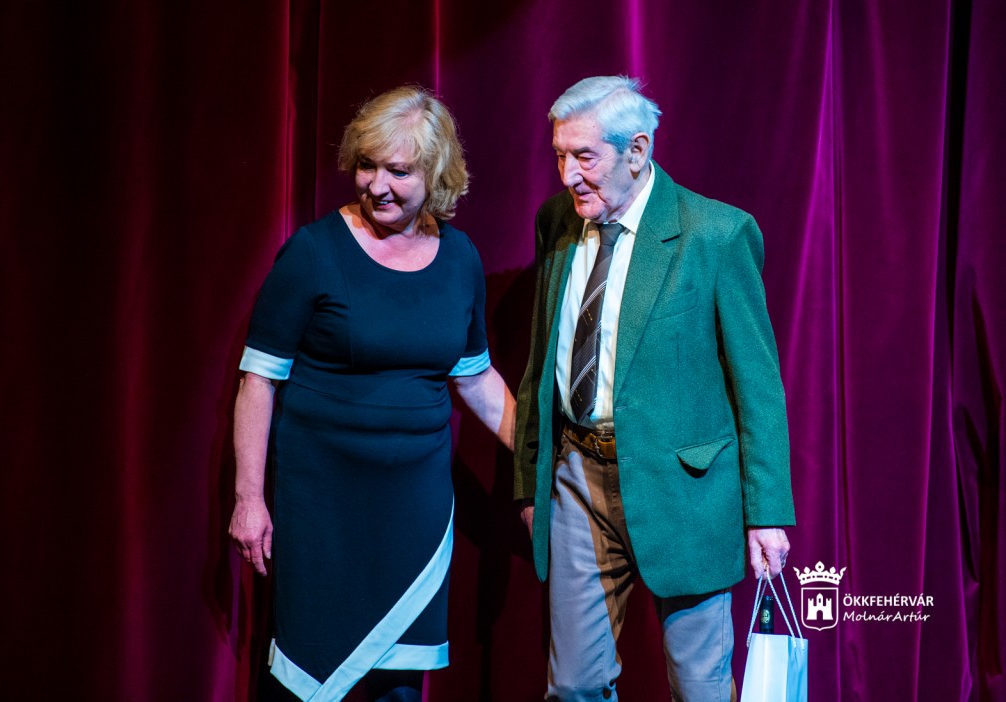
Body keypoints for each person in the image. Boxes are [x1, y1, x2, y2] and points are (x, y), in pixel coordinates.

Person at [514, 76, 796, 701]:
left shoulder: (715, 234)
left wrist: (767, 514)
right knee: (574, 686)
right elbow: (541, 359)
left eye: (584, 157)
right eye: (559, 155)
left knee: (700, 687)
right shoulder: (556, 222)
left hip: (685, 491)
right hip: (577, 479)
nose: (568, 175)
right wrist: (529, 480)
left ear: (637, 151)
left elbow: (758, 386)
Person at [229, 86, 515, 702]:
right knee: (309, 676)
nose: (377, 185)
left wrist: (543, 459)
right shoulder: (314, 252)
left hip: (415, 507)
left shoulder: (459, 258)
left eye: (398, 171)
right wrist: (249, 499)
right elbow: (259, 380)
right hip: (322, 506)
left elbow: (476, 379)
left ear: (436, 173)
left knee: (398, 684)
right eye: (366, 165)